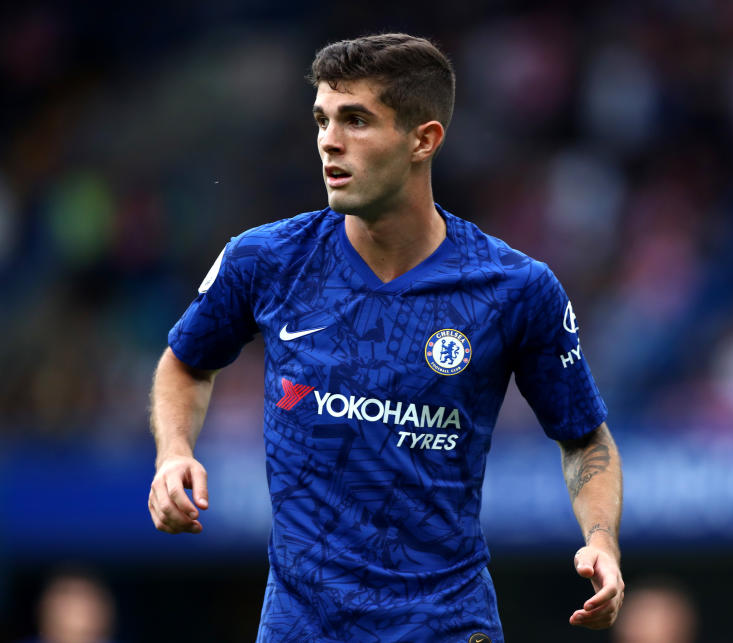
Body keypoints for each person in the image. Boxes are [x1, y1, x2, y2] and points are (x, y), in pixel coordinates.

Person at [147, 32, 623, 642]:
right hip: (303, 625)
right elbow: (186, 363)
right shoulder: (266, 260)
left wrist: (601, 543)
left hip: (446, 622)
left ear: (423, 140)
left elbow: (584, 438)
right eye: (322, 119)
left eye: (356, 120)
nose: (328, 141)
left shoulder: (515, 288)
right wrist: (174, 454)